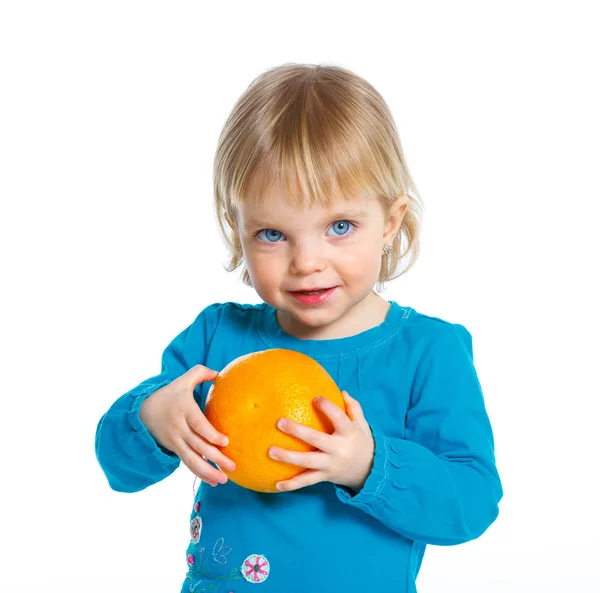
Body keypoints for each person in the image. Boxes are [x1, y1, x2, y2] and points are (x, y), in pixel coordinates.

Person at [95, 62, 503, 593]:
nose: (306, 261)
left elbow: (471, 503)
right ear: (236, 228)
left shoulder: (427, 351)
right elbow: (120, 470)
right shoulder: (216, 338)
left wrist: (370, 464)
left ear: (391, 221)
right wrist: (151, 418)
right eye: (272, 233)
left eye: (340, 227)